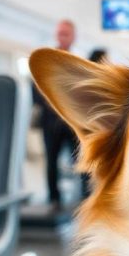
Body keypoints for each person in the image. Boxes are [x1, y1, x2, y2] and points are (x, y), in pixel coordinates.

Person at [32, 19, 79, 207]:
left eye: (66, 33)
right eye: (60, 33)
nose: (62, 37)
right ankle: (54, 199)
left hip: (73, 123)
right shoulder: (44, 62)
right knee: (51, 162)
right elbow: (36, 90)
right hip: (50, 122)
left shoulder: (77, 65)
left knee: (81, 161)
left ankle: (85, 198)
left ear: (73, 37)